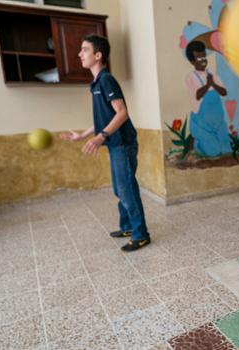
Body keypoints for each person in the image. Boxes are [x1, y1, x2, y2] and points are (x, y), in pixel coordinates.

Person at [60, 34, 150, 252]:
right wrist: (83, 135)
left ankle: (141, 234)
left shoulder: (106, 79)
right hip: (114, 143)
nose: (80, 54)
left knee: (126, 189)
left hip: (123, 143)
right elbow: (105, 118)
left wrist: (101, 136)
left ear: (98, 55)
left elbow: (122, 113)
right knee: (121, 189)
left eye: (84, 49)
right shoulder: (97, 83)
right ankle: (128, 227)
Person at [185, 40, 233, 157]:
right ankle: (196, 142)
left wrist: (213, 84)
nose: (203, 61)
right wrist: (208, 85)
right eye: (199, 58)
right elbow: (197, 95)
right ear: (192, 61)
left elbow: (224, 92)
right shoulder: (190, 78)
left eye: (204, 57)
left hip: (218, 122)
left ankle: (215, 141)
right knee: (213, 152)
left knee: (226, 150)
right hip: (202, 123)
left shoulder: (213, 75)